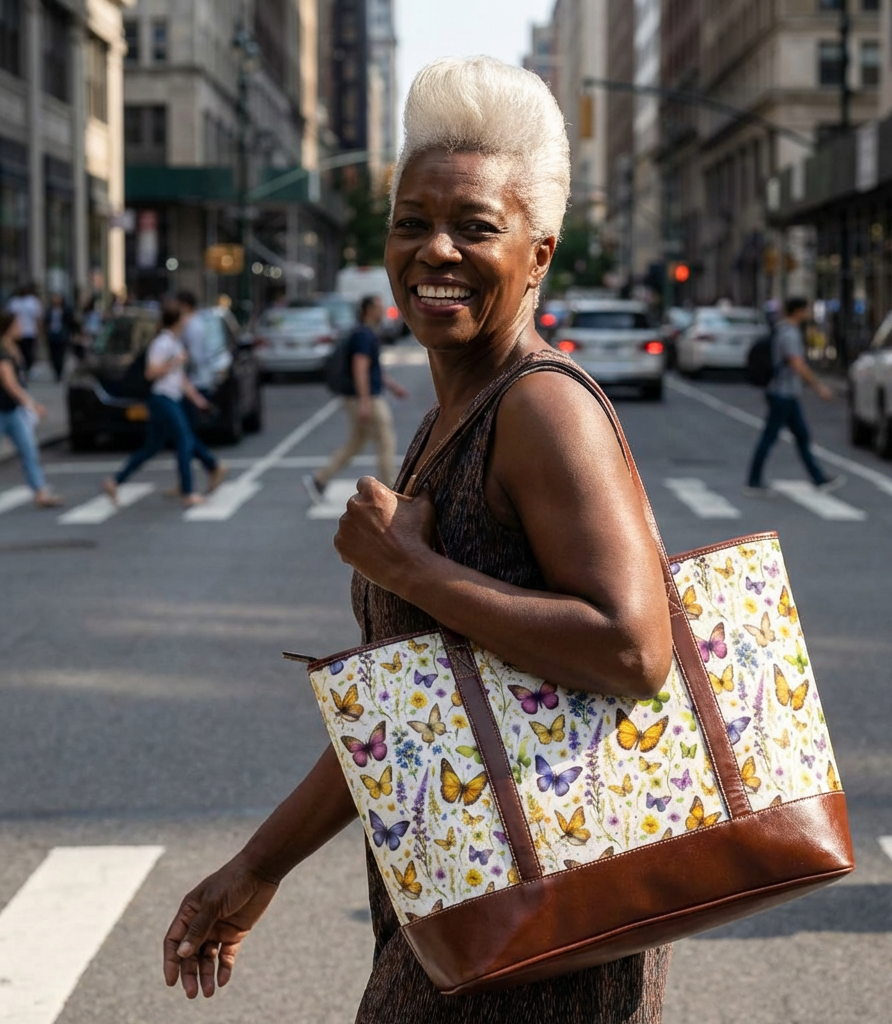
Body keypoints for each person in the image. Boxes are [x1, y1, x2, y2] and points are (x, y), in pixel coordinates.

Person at [164, 57, 675, 1024]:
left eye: (476, 226)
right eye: (412, 222)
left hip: (543, 932)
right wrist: (255, 869)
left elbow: (632, 646)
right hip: (458, 899)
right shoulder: (452, 413)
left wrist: (409, 568)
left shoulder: (543, 409)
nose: (434, 249)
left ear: (540, 253)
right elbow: (412, 702)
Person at [103, 299, 227, 509]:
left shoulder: (174, 342)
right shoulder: (162, 342)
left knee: (152, 447)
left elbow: (181, 380)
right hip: (162, 399)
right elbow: (151, 373)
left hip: (172, 397)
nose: (188, 321)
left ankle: (115, 481)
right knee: (185, 439)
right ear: (177, 320)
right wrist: (174, 362)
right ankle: (189, 491)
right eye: (184, 317)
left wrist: (198, 400)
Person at [303, 294, 409, 502]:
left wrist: (393, 386)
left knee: (355, 444)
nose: (382, 310)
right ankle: (391, 489)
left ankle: (319, 480)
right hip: (367, 397)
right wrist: (365, 402)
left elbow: (372, 368)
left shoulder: (365, 333)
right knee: (385, 440)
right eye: (379, 306)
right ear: (368, 310)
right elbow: (360, 368)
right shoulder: (363, 335)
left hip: (361, 397)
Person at [746, 296, 845, 495]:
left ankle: (818, 479)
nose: (808, 314)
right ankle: (753, 480)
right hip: (782, 393)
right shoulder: (789, 334)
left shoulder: (784, 330)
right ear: (798, 311)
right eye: (806, 310)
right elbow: (796, 363)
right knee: (771, 437)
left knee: (801, 436)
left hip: (786, 392)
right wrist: (819, 387)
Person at [0, 311, 63, 507]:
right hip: (3, 410)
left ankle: (40, 492)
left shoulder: (12, 349)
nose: (21, 328)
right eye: (17, 324)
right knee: (28, 450)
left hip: (13, 411)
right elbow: (9, 383)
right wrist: (31, 404)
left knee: (29, 451)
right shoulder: (2, 352)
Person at [7, 283, 42, 374]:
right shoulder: (15, 302)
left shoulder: (31, 301)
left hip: (28, 330)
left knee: (27, 351)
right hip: (21, 331)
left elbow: (37, 317)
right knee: (20, 351)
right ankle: (22, 367)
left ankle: (27, 367)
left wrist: (38, 330)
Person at [45, 292, 76, 381]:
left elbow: (71, 323)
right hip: (52, 335)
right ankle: (56, 370)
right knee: (53, 355)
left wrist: (72, 334)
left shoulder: (66, 310)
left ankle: (60, 371)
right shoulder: (50, 310)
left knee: (61, 354)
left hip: (62, 334)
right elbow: (46, 322)